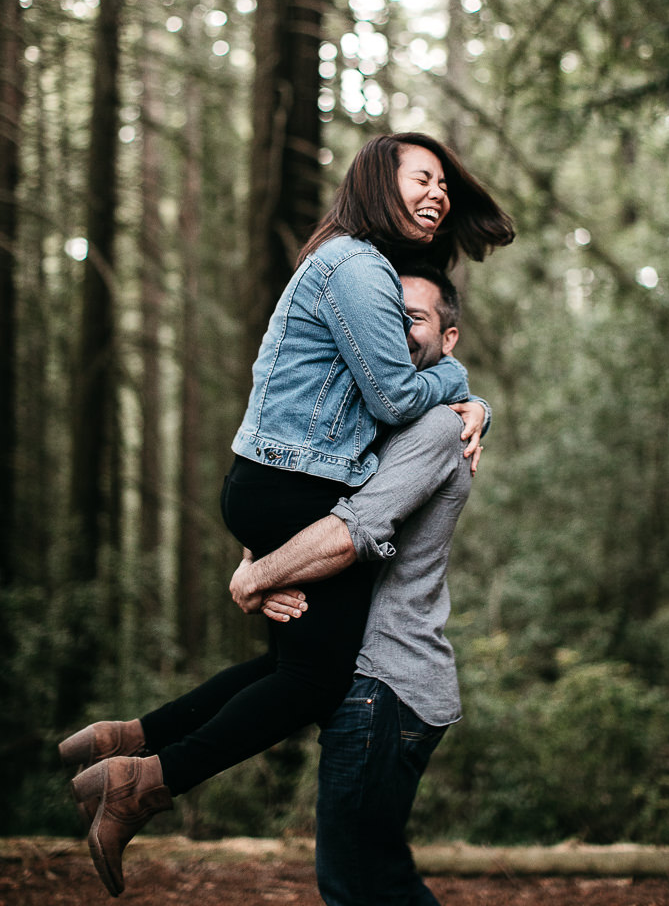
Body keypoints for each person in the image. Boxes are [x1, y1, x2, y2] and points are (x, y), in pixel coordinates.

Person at [59, 133, 514, 898]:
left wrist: (261, 559)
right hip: (295, 487)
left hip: (280, 484)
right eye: (422, 179)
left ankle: (134, 742)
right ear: (377, 180)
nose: (438, 194)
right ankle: (145, 783)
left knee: (294, 667)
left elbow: (385, 413)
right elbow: (400, 397)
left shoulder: (346, 264)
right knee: (315, 679)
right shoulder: (357, 268)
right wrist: (467, 387)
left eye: (444, 184)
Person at [230, 266, 477, 906]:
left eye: (415, 319)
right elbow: (303, 498)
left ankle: (143, 771)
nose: (398, 329)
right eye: (389, 318)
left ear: (449, 339)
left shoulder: (432, 427)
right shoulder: (378, 423)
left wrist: (258, 576)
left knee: (358, 884)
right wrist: (256, 556)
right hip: (369, 680)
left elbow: (351, 533)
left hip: (387, 683)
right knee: (373, 877)